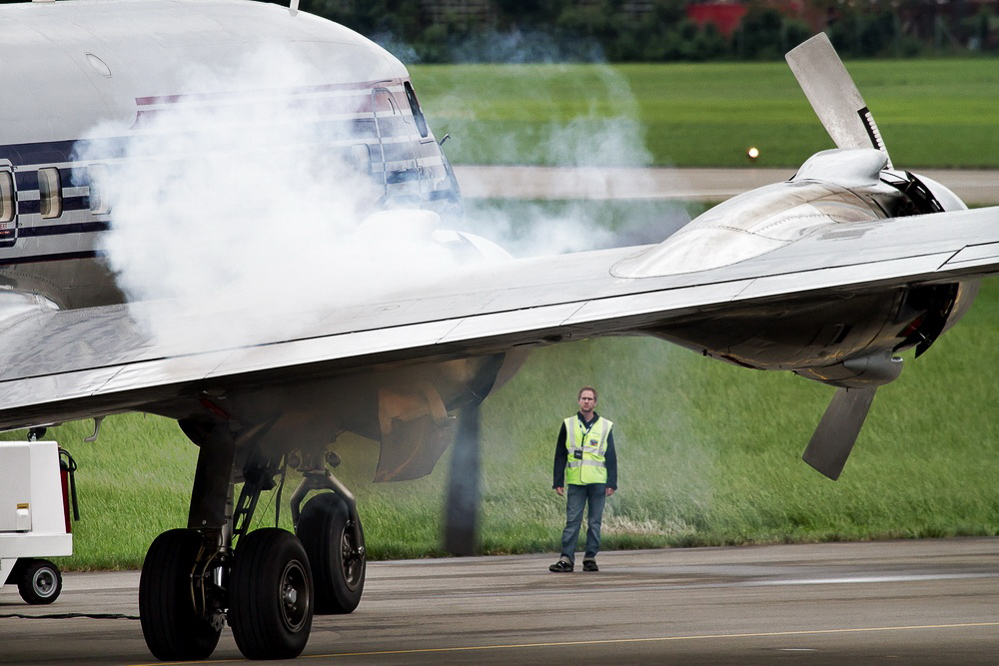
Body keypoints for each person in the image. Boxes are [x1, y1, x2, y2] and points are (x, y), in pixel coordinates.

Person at [549, 385, 617, 573]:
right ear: (579, 401)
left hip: (597, 482)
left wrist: (612, 482)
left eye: (590, 399)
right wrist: (558, 480)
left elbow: (611, 455)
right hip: (576, 482)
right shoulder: (568, 424)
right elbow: (560, 453)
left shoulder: (605, 426)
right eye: (583, 398)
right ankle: (566, 558)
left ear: (595, 403)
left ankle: (590, 557)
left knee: (595, 522)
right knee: (572, 521)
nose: (586, 401)